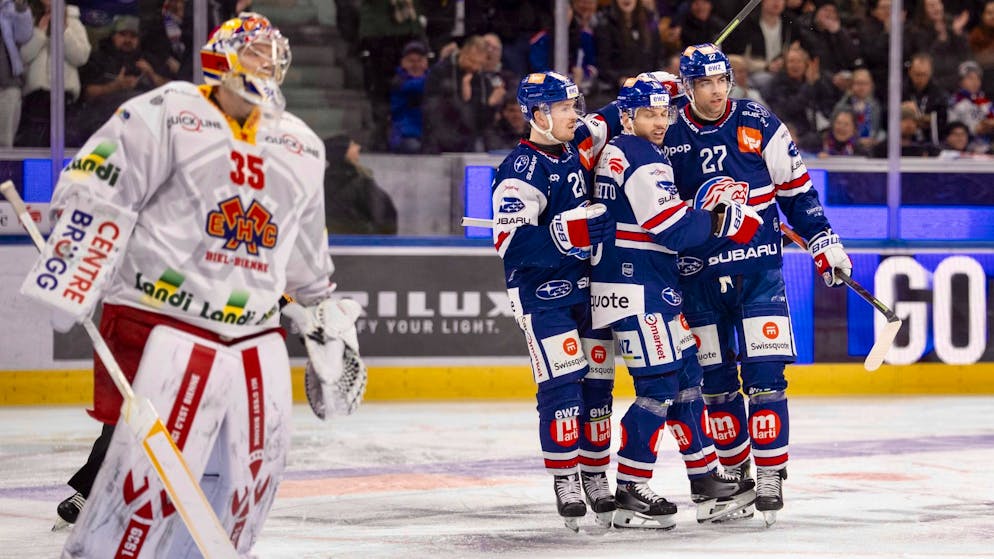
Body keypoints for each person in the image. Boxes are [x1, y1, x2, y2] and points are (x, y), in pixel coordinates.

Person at [39, 13, 359, 557]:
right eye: (254, 51)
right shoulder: (166, 112)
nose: (266, 62)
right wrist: (72, 268)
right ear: (221, 58)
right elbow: (95, 185)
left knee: (242, 479)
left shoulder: (302, 144)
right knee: (143, 471)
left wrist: (320, 306)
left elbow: (305, 244)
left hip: (251, 334)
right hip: (157, 317)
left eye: (272, 54)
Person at [663, 43, 852, 526]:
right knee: (715, 385)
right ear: (687, 87)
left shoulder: (758, 120)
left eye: (721, 80)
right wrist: (643, 100)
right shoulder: (668, 131)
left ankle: (769, 473)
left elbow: (797, 190)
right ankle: (734, 474)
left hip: (758, 272)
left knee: (766, 378)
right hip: (695, 279)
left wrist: (823, 238)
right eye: (704, 83)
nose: (716, 91)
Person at [590, 76, 757, 528]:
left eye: (664, 112)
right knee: (659, 386)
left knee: (686, 377)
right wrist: (723, 222)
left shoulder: (625, 149)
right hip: (637, 288)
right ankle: (631, 485)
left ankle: (705, 477)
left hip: (645, 286)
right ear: (627, 117)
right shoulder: (641, 155)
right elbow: (671, 227)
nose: (661, 121)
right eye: (649, 113)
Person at [490, 70, 622, 532]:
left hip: (590, 291)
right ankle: (566, 478)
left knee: (598, 389)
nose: (574, 115)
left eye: (574, 105)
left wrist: (651, 86)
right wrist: (567, 233)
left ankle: (594, 472)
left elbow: (612, 116)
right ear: (538, 115)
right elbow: (510, 244)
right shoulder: (518, 172)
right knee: (562, 387)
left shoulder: (578, 143)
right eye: (565, 108)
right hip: (541, 295)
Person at [323, 134, 398, 234]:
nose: (358, 147)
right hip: (363, 240)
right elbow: (381, 218)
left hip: (334, 240)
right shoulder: (361, 182)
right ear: (343, 152)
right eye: (352, 145)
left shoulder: (322, 181)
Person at [0, 0, 33, 147]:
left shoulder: (10, 8)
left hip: (7, 84)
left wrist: (20, 7)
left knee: (4, 144)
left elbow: (24, 36)